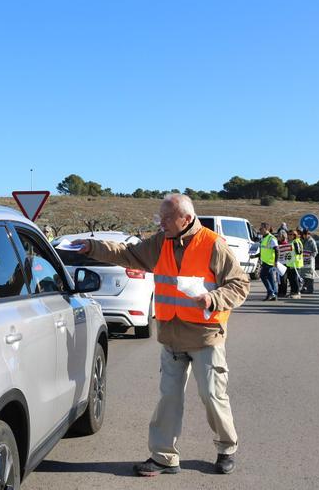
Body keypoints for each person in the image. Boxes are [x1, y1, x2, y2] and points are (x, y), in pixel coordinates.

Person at [74, 194, 249, 477]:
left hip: (205, 337)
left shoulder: (213, 244)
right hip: (171, 337)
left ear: (187, 219)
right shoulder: (160, 243)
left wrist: (214, 298)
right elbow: (126, 253)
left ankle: (227, 448)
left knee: (212, 396)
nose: (161, 223)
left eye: (167, 218)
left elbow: (240, 284)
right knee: (169, 399)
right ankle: (164, 457)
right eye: (160, 217)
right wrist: (93, 247)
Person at [258, 223, 279, 301]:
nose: (260, 230)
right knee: (270, 278)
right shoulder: (264, 238)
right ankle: (274, 294)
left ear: (266, 229)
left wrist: (276, 261)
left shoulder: (271, 238)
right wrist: (256, 256)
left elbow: (277, 250)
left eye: (261, 228)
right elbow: (264, 250)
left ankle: (271, 293)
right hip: (265, 261)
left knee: (263, 276)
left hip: (269, 262)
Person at [285, 230, 304, 298]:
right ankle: (292, 292)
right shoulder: (291, 242)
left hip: (296, 263)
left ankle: (297, 293)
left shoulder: (296, 242)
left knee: (295, 279)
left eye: (291, 234)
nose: (289, 236)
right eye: (289, 234)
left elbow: (299, 252)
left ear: (294, 235)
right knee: (291, 279)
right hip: (290, 263)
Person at [300, 228, 318, 294]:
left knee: (309, 275)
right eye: (304, 234)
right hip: (303, 260)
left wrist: (310, 255)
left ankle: (310, 289)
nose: (305, 236)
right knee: (303, 275)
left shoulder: (311, 241)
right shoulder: (302, 240)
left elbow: (315, 252)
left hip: (310, 261)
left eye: (306, 234)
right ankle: (304, 288)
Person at [276, 231, 291, 298]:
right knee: (279, 279)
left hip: (285, 264)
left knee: (283, 279)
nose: (278, 238)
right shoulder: (277, 243)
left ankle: (283, 292)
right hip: (278, 263)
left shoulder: (286, 244)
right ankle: (279, 292)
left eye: (279, 236)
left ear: (283, 237)